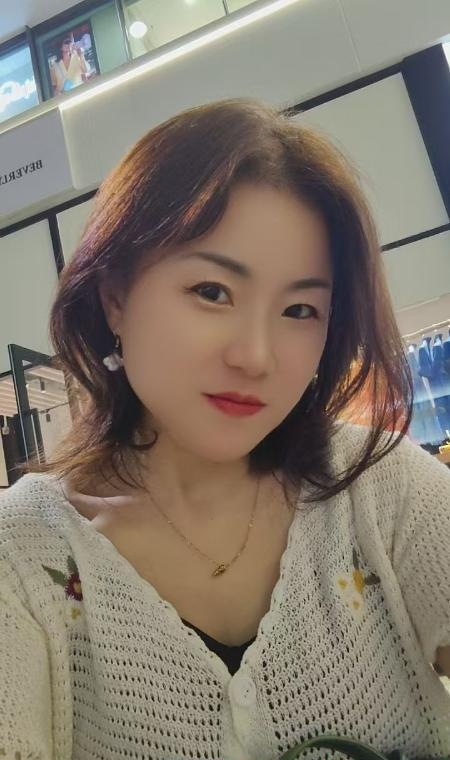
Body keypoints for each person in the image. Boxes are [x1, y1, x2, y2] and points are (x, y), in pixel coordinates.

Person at [0, 98, 449, 760]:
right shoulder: (22, 555)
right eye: (212, 292)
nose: (256, 357)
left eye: (300, 309)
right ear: (115, 296)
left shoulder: (381, 485)